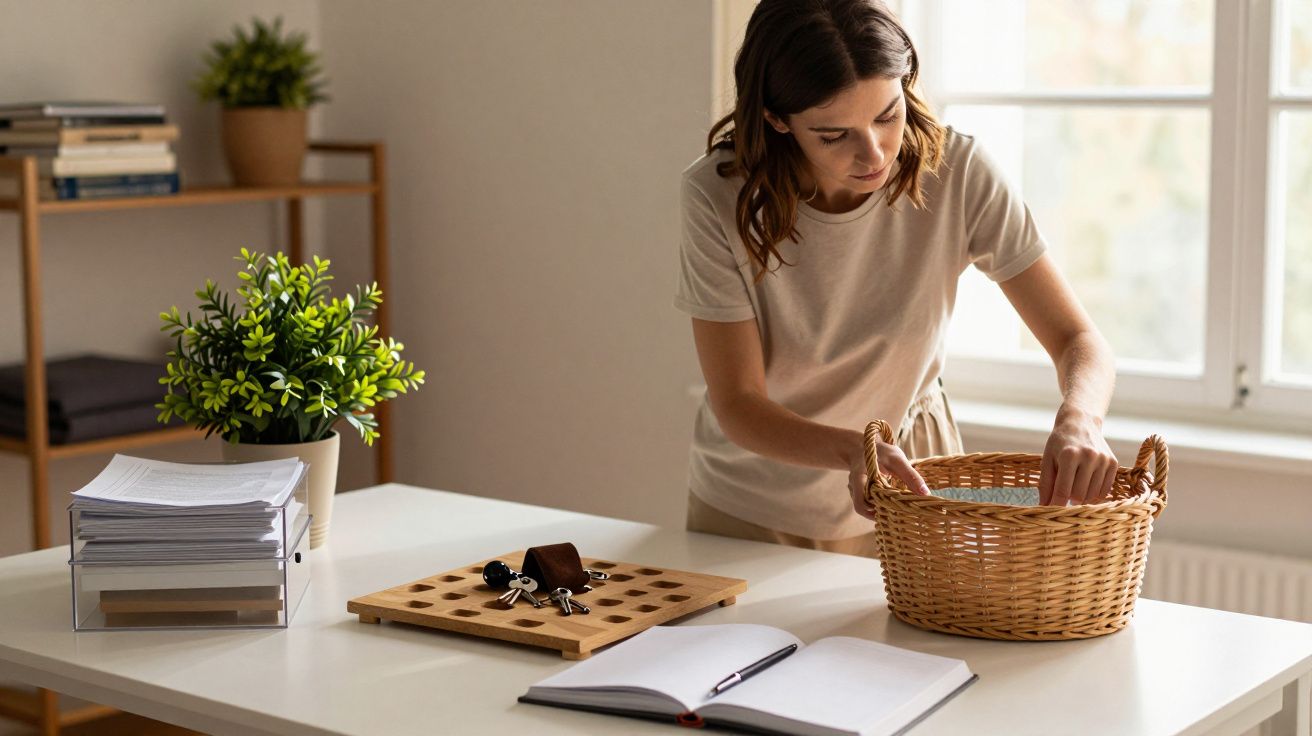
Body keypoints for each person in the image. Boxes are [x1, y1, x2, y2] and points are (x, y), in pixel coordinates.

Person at [675, 0, 1119, 556]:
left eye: (887, 115)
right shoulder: (718, 196)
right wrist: (851, 450)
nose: (874, 153)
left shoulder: (958, 172)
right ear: (776, 119)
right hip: (754, 503)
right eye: (834, 135)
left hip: (918, 493)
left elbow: (1079, 341)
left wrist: (1080, 419)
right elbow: (738, 401)